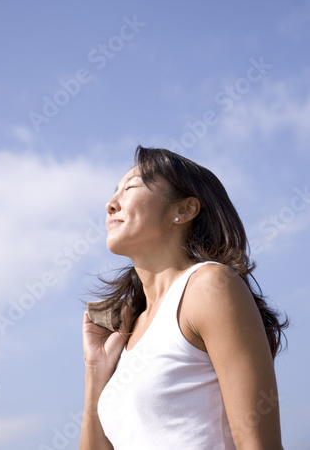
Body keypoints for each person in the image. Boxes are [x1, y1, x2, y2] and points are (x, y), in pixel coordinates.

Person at [79, 145, 287, 450]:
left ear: (184, 210)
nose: (111, 204)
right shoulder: (129, 330)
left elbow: (258, 445)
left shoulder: (209, 286)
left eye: (131, 187)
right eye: (114, 192)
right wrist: (96, 370)